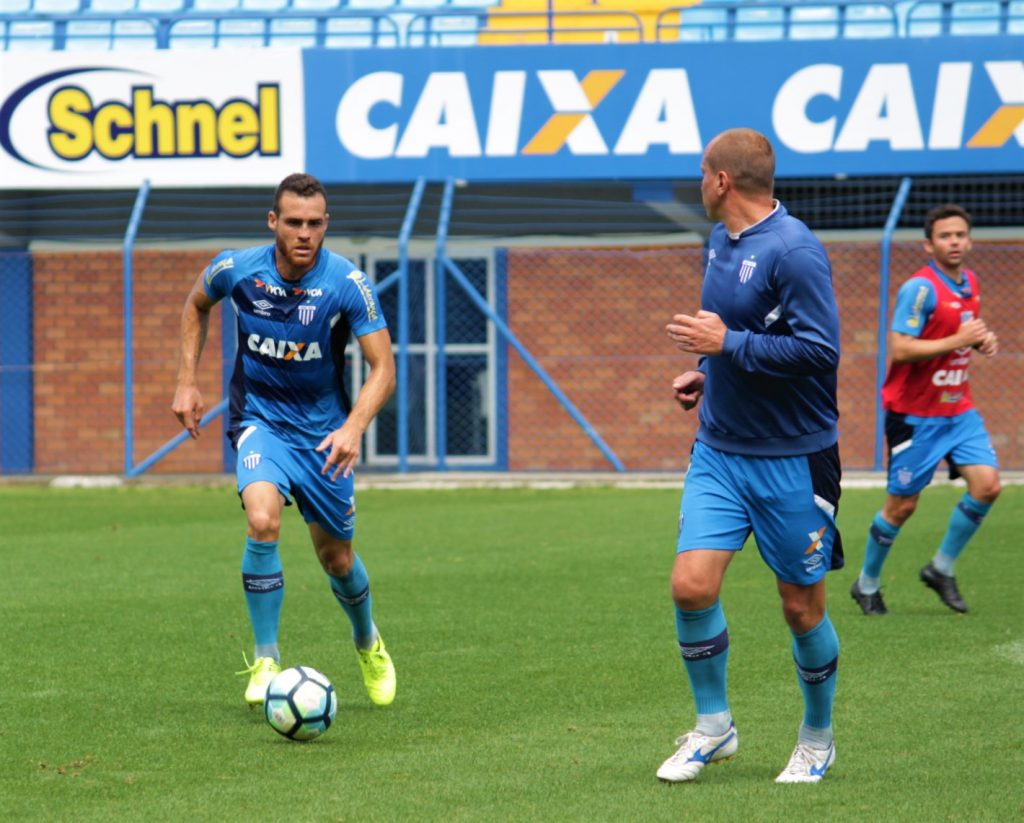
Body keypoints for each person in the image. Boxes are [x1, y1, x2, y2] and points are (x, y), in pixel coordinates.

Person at [171, 173, 398, 708]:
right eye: (293, 222)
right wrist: (186, 378)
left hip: (324, 437)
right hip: (260, 422)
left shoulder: (347, 283)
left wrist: (353, 427)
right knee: (262, 519)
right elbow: (195, 303)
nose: (304, 233)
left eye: (314, 223)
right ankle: (267, 657)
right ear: (273, 221)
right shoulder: (236, 269)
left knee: (337, 560)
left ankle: (367, 640)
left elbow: (383, 367)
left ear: (326, 225)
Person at [658, 128, 843, 785]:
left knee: (801, 606)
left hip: (793, 458)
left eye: (701, 172)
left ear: (722, 181)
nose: (697, 182)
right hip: (719, 449)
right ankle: (714, 726)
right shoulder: (719, 241)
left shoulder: (795, 252)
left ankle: (817, 738)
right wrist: (710, 373)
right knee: (691, 584)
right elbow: (740, 338)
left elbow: (820, 352)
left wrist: (727, 345)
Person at [850, 204, 1000, 616]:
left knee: (987, 486)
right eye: (945, 236)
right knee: (902, 506)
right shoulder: (919, 289)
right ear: (928, 245)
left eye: (960, 235)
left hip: (959, 411)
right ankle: (867, 584)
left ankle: (940, 569)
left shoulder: (970, 281)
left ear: (969, 240)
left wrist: (980, 340)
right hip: (915, 416)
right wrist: (959, 340)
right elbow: (900, 347)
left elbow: (960, 334)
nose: (954, 242)